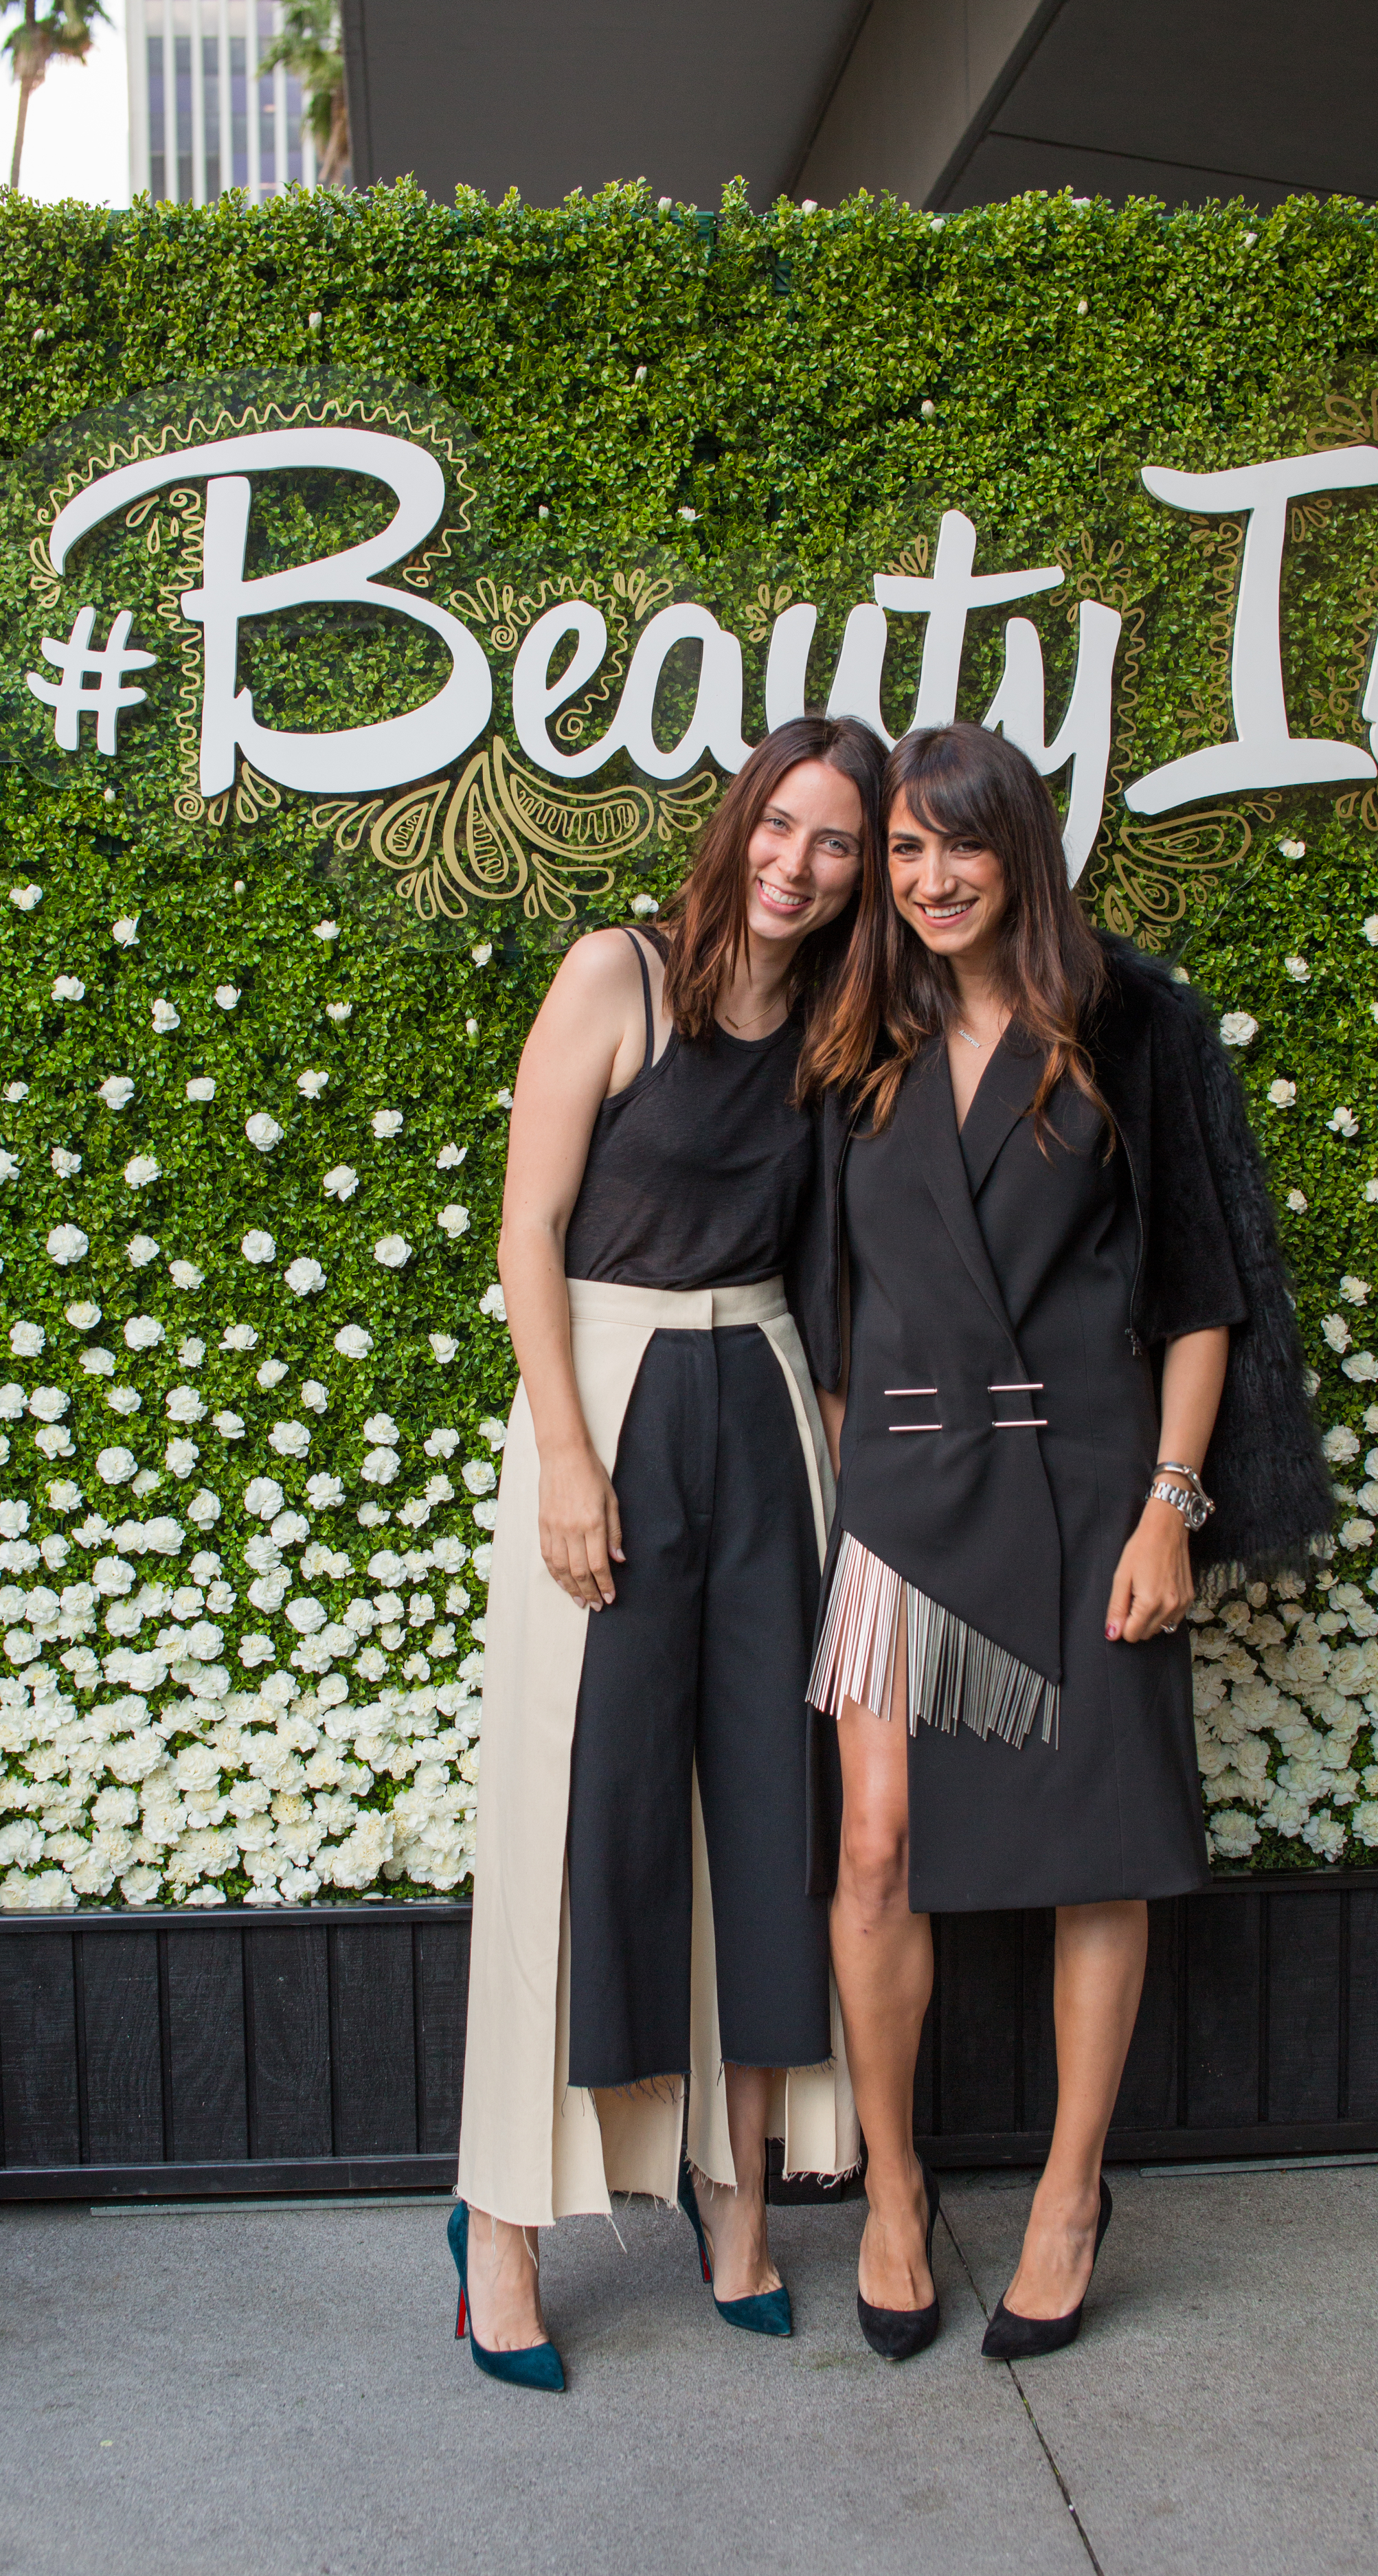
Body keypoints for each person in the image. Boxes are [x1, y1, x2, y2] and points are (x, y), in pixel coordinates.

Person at [794, 721, 1331, 2363]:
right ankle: (892, 2193)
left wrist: (1171, 1508)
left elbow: (1196, 1289)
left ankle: (1068, 2195)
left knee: (1097, 1852)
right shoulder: (852, 1028)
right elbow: (823, 1306)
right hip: (895, 1500)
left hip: (1091, 1489)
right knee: (875, 1846)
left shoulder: (1132, 1018)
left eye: (957, 846)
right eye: (899, 851)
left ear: (1019, 849)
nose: (927, 879)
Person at [450, 715, 883, 2391]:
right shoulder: (618, 972)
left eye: (836, 843)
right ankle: (500, 2228)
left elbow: (836, 1266)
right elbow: (526, 1228)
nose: (799, 865)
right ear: (738, 825)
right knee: (582, 1804)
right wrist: (565, 1454)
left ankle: (739, 2197)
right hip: (610, 1396)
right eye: (783, 827)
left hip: (766, 1398)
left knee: (767, 1805)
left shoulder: (843, 1029)